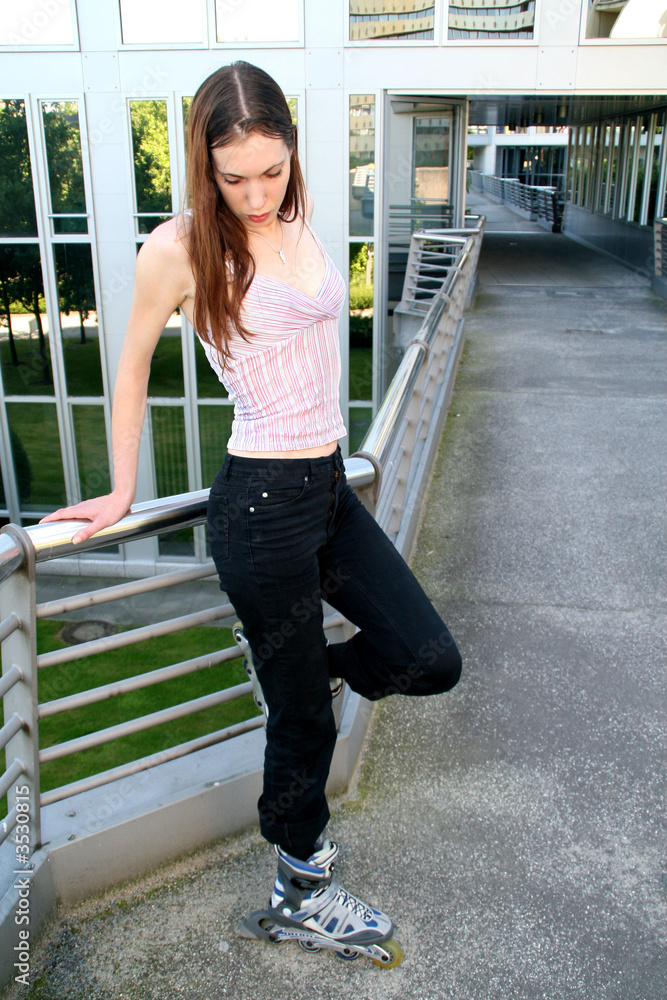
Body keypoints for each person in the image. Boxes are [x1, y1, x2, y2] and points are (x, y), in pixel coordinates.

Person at [41, 61, 462, 966]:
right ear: (205, 166)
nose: (258, 194)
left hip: (328, 488)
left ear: (290, 152)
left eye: (271, 170)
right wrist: (120, 490)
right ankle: (299, 889)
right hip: (260, 508)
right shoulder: (180, 248)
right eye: (234, 178)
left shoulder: (299, 217)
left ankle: (301, 673)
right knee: (302, 724)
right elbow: (129, 367)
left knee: (430, 660)